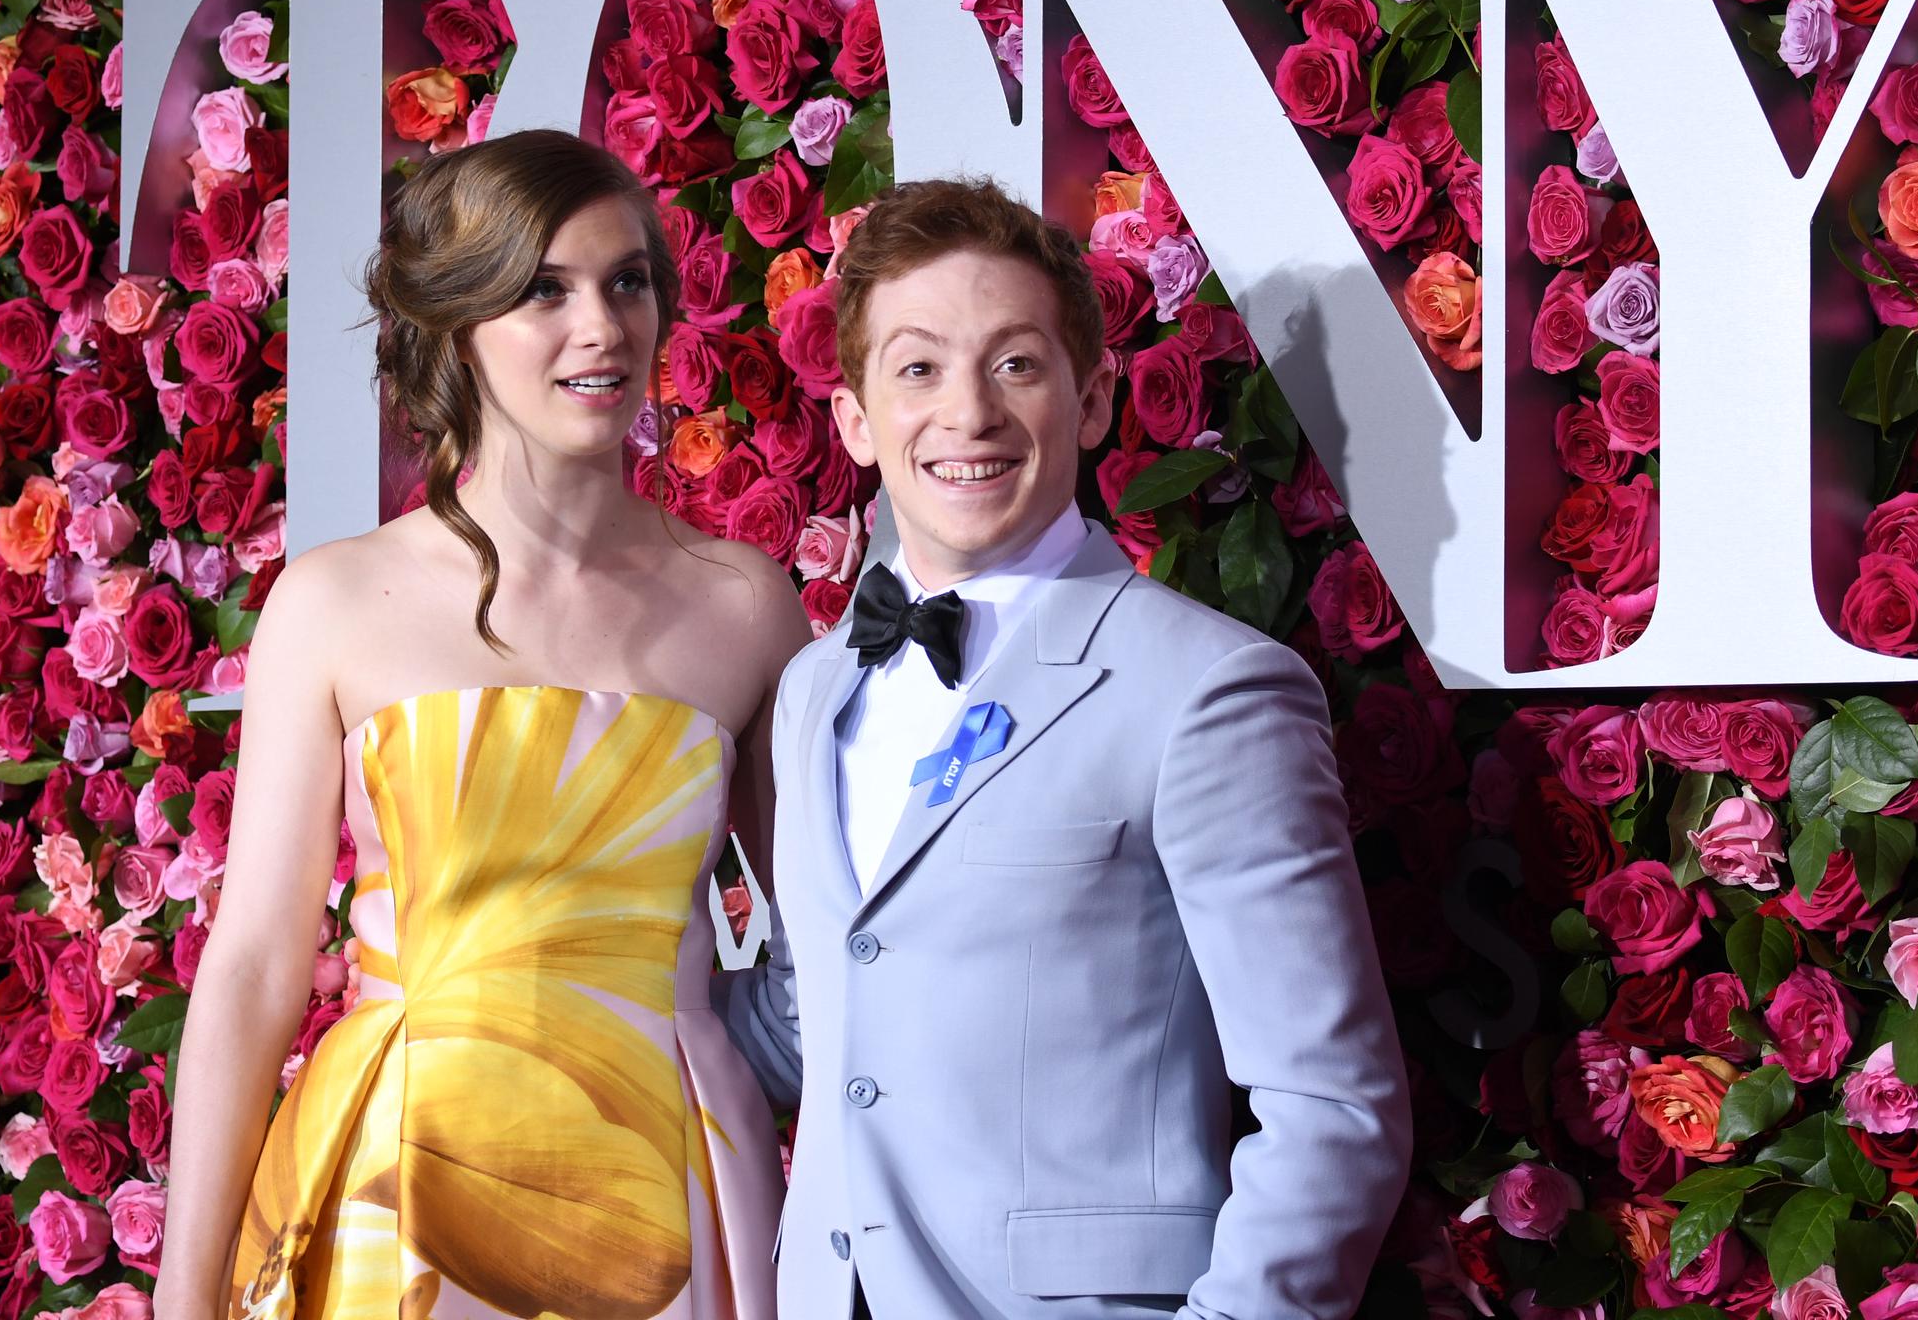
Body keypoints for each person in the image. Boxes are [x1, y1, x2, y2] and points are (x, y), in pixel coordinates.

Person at [715, 177, 1411, 1320]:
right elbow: (823, 1015)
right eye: (919, 368)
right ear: (855, 419)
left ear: (1090, 401)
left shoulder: (1208, 690)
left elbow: (1334, 1106)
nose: (969, 414)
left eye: (1015, 365)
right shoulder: (809, 688)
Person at [153, 129, 805, 1320]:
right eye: (542, 290)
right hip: (393, 1183)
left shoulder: (746, 604)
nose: (601, 325)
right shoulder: (335, 600)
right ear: (458, 320)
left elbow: (835, 940)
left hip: (673, 1174)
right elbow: (251, 971)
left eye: (627, 281)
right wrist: (182, 1298)